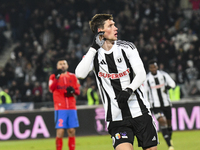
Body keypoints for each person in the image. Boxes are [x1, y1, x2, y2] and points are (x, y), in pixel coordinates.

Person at [75, 14, 158, 150]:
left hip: (140, 111)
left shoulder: (126, 47)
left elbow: (141, 73)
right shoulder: (94, 55)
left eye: (114, 24)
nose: (116, 28)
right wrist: (93, 48)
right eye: (111, 25)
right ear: (100, 31)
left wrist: (129, 90)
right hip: (116, 117)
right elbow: (80, 74)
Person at [49, 59, 80, 150]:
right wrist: (56, 78)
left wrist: (73, 91)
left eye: (64, 64)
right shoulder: (53, 77)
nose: (62, 65)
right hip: (60, 107)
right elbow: (51, 88)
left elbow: (78, 91)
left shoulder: (73, 76)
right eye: (60, 64)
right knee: (60, 131)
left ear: (67, 66)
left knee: (71, 130)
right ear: (57, 67)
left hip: (71, 107)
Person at [144, 60, 176, 150]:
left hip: (166, 104)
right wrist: (147, 105)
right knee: (162, 121)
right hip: (155, 106)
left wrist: (168, 87)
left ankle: (169, 138)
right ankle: (169, 145)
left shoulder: (164, 75)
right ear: (149, 68)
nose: (153, 69)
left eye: (154, 67)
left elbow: (173, 84)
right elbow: (144, 92)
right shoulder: (147, 79)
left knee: (169, 124)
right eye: (151, 67)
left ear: (157, 67)